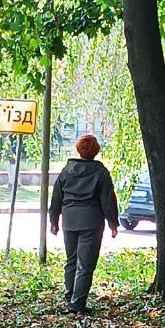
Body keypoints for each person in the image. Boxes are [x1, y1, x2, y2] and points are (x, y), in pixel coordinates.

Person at [49, 134, 119, 315]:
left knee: (71, 260)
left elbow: (57, 197)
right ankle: (77, 303)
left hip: (70, 221)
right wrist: (113, 223)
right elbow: (108, 200)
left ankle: (70, 295)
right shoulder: (101, 172)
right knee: (85, 264)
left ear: (78, 150)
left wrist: (54, 220)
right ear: (96, 151)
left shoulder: (66, 170)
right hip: (92, 222)